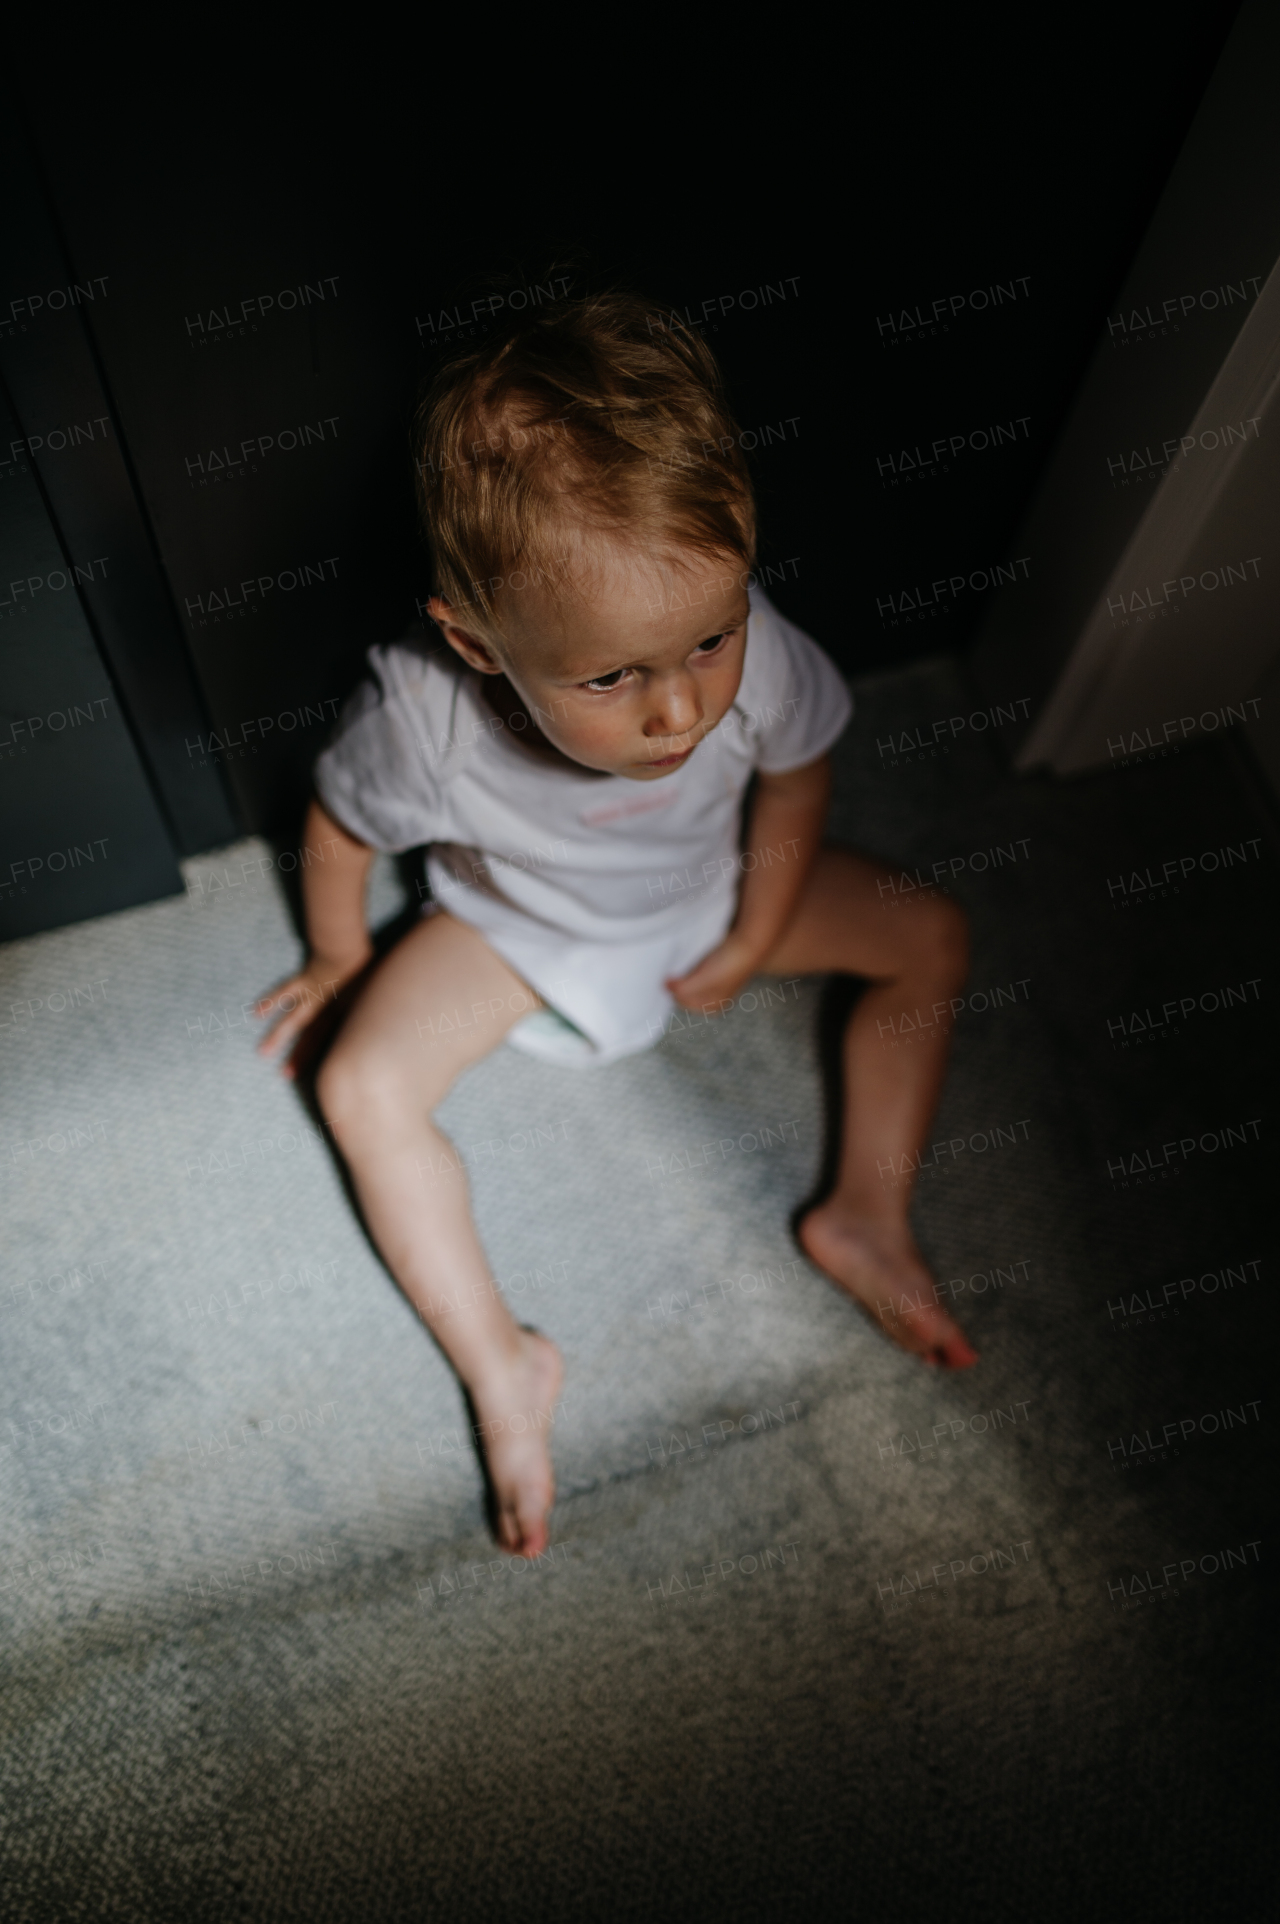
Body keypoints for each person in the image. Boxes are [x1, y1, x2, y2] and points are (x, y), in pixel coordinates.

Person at [255, 292, 975, 1557]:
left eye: (711, 638)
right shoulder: (424, 718)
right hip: (517, 931)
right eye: (609, 677)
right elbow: (340, 823)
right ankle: (501, 1361)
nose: (678, 710)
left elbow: (797, 774)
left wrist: (754, 932)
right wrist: (338, 952)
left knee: (928, 934)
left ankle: (865, 1209)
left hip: (707, 893)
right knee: (361, 1088)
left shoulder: (745, 654)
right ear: (476, 642)